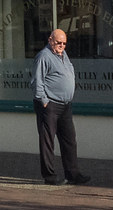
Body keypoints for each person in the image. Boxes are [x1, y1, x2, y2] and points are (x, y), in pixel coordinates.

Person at [32, 28, 90, 186]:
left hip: (65, 105)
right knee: (47, 141)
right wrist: (44, 100)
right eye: (59, 42)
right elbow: (37, 81)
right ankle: (50, 176)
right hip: (50, 104)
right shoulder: (44, 56)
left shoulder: (63, 55)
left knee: (69, 140)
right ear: (50, 40)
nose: (62, 46)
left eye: (64, 43)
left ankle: (73, 174)